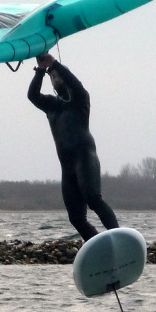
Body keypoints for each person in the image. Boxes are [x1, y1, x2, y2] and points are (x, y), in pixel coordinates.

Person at [27, 53, 119, 241]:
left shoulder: (80, 99)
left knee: (93, 199)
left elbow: (75, 84)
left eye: (58, 75)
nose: (55, 79)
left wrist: (54, 65)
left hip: (84, 158)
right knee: (76, 218)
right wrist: (41, 71)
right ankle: (99, 245)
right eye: (52, 78)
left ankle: (118, 238)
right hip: (67, 167)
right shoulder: (51, 105)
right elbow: (32, 95)